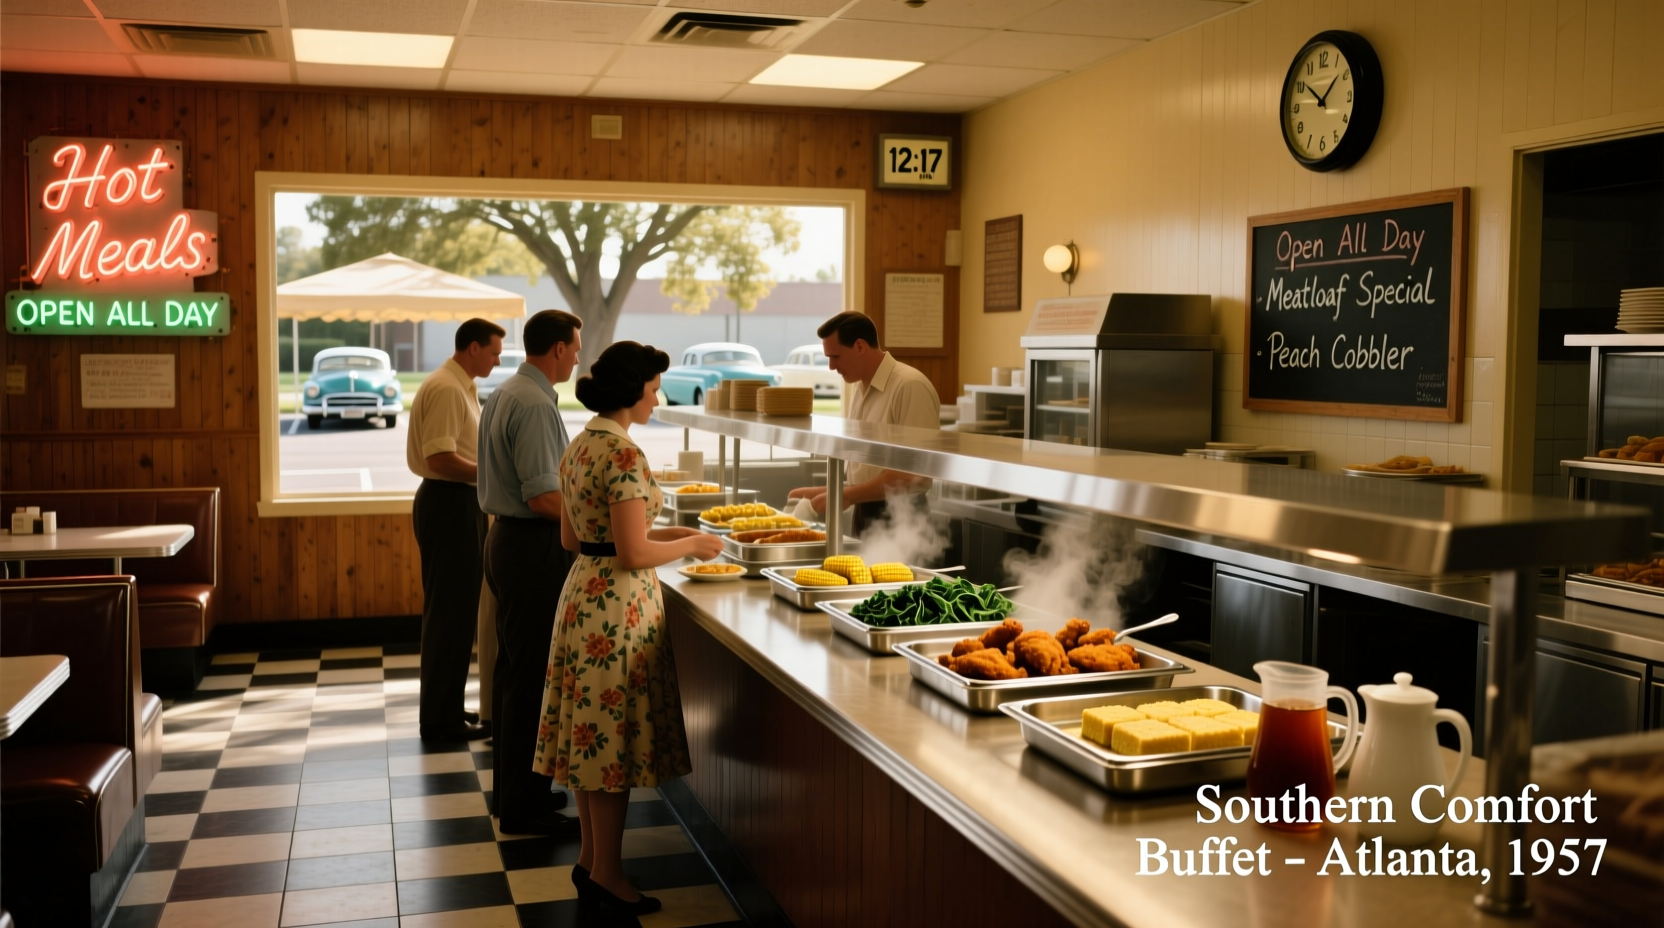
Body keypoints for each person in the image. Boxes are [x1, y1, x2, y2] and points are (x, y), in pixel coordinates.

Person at [534, 341, 725, 915]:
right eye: (653, 389)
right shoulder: (624, 453)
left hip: (582, 595)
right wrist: (691, 545)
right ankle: (610, 875)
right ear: (632, 391)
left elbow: (576, 538)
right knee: (611, 746)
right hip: (618, 610)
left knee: (589, 740)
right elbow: (634, 552)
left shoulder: (581, 445)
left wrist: (675, 535)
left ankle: (591, 861)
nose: (657, 399)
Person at [477, 309, 583, 834]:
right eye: (576, 348)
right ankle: (523, 808)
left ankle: (515, 794)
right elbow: (543, 497)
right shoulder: (536, 403)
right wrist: (596, 524)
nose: (578, 358)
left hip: (505, 540)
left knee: (513, 672)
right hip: (531, 546)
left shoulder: (506, 391)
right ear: (558, 349)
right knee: (531, 677)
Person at [407, 317, 503, 742]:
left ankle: (444, 707)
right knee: (449, 614)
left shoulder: (460, 385)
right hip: (449, 503)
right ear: (473, 348)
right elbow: (440, 459)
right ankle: (440, 721)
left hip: (458, 502)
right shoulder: (447, 388)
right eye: (494, 352)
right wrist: (494, 474)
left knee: (456, 612)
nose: (497, 361)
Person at [787, 310, 941, 532]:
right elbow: (869, 475)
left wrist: (846, 495)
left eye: (835, 357)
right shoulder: (860, 388)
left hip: (904, 520)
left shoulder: (909, 385)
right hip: (865, 512)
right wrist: (828, 492)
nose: (831, 366)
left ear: (860, 346)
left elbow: (914, 474)